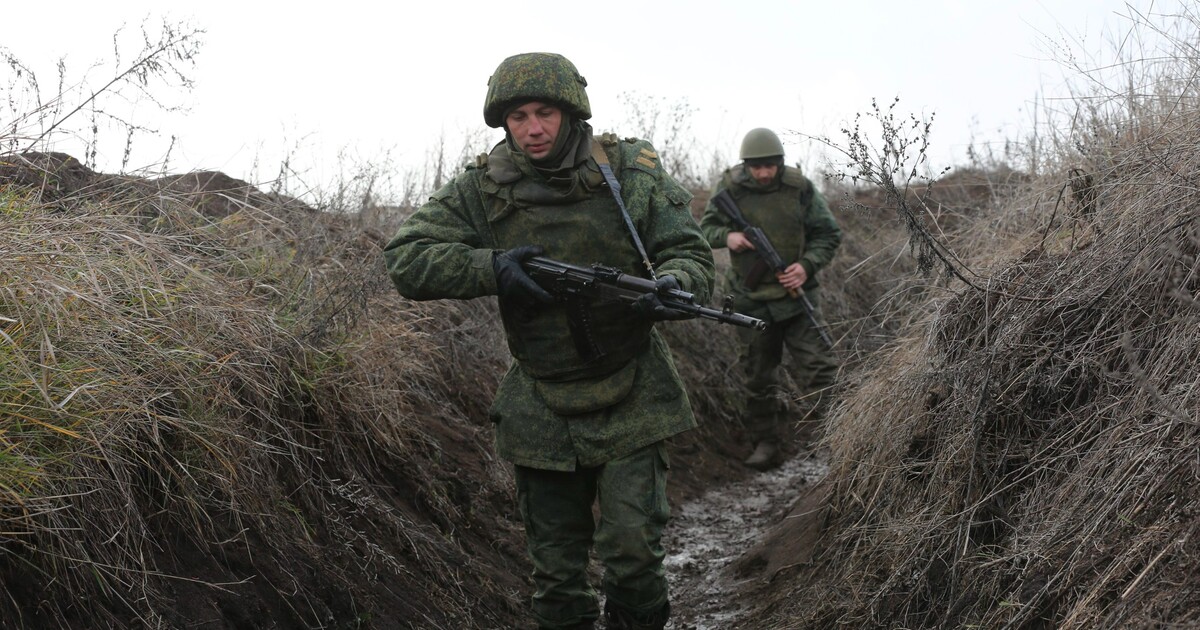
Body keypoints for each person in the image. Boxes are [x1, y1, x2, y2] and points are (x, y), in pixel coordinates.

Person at [383, 52, 714, 630]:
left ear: (571, 113)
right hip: (541, 401)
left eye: (544, 114)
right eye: (517, 117)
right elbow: (406, 259)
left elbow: (688, 252)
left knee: (633, 558)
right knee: (557, 575)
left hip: (633, 389)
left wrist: (675, 283)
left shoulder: (631, 172)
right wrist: (493, 267)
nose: (532, 130)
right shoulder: (483, 189)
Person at [699, 127, 842, 471]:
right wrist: (728, 236)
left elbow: (828, 233)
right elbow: (705, 228)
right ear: (746, 165)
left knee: (820, 367)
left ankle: (839, 438)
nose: (763, 173)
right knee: (759, 376)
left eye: (769, 166)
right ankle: (766, 443)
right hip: (751, 301)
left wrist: (806, 267)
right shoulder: (729, 188)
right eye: (756, 167)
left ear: (780, 163)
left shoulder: (799, 188)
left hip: (796, 297)